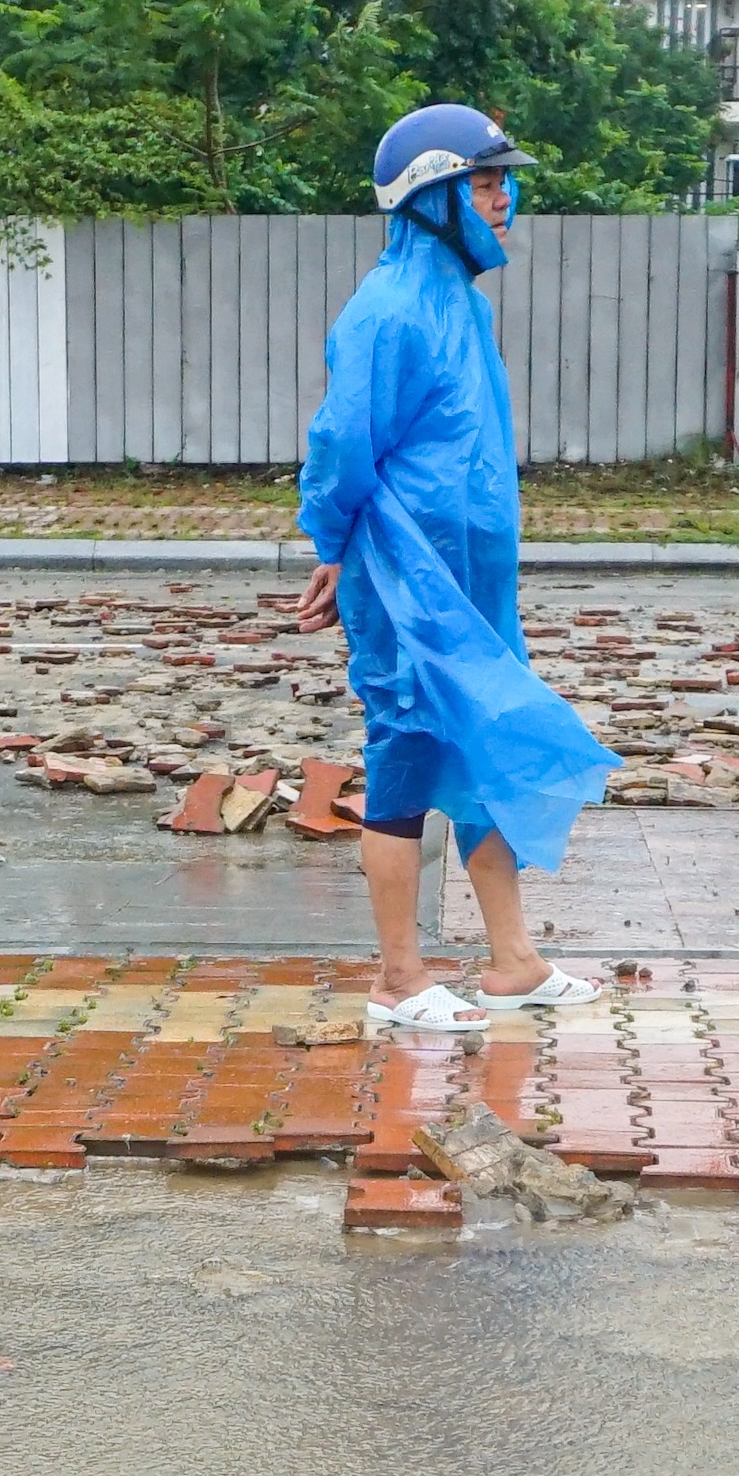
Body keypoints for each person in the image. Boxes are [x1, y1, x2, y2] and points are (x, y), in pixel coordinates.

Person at [299, 104, 613, 1032]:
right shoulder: (387, 312)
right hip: (406, 576)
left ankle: (513, 962)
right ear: (429, 197)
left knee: (487, 739)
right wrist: (331, 545)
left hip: (473, 579)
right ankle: (399, 979)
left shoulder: (462, 304)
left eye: (503, 181)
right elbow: (342, 444)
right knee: (408, 749)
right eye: (483, 183)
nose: (503, 198)